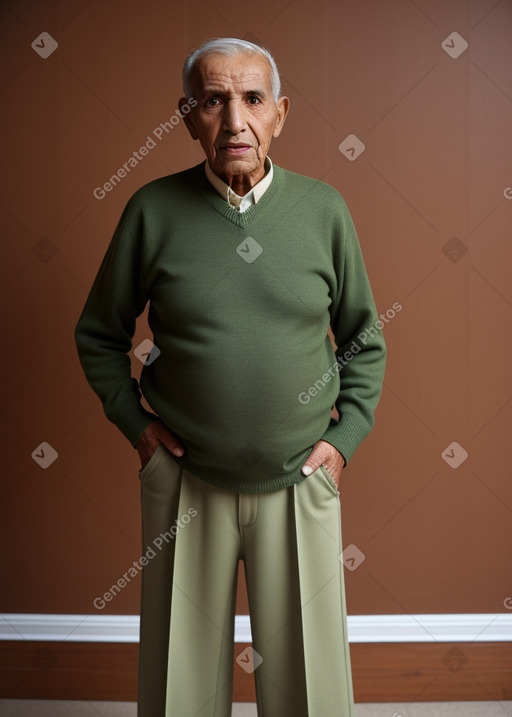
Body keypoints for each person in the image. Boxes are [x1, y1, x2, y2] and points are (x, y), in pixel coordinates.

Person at [75, 36, 386, 717]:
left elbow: (364, 337)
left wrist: (345, 439)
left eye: (250, 100)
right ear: (188, 115)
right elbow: (99, 335)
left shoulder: (323, 208)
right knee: (179, 680)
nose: (234, 120)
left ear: (279, 113)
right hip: (186, 478)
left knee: (312, 681)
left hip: (302, 479)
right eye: (213, 101)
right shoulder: (152, 211)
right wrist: (137, 425)